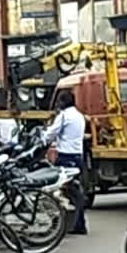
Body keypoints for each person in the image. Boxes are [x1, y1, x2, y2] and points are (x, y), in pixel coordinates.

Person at [44, 91, 88, 235]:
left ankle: (62, 224)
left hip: (65, 157)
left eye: (59, 101)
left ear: (63, 102)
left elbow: (51, 134)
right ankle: (78, 223)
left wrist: (42, 138)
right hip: (78, 157)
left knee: (60, 191)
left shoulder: (63, 116)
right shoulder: (79, 116)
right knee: (75, 192)